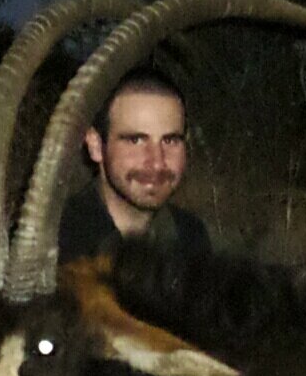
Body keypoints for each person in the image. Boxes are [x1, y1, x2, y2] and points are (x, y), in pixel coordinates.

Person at [58, 67, 213, 262]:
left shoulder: (190, 235)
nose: (157, 162)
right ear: (96, 146)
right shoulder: (56, 242)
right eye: (135, 140)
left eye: (170, 140)